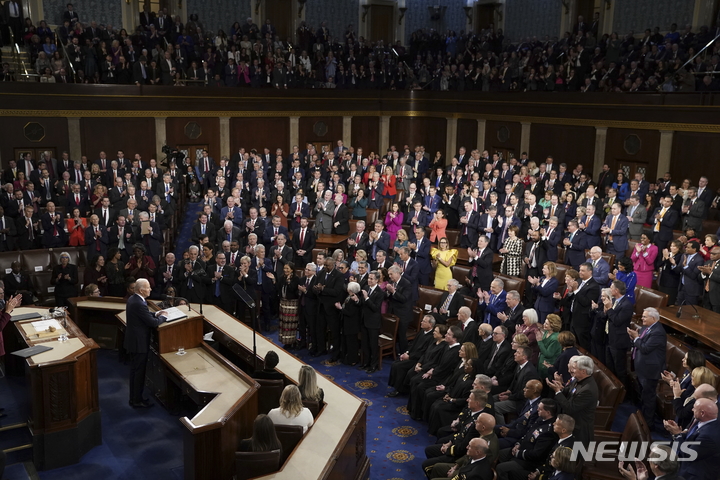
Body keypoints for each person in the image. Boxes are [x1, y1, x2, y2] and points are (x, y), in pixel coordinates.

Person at [124, 279, 168, 408]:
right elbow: (153, 323)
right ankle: (137, 400)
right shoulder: (138, 302)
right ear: (142, 290)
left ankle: (134, 398)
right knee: (138, 373)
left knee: (135, 371)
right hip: (139, 343)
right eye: (148, 288)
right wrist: (163, 317)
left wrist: (156, 313)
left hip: (134, 341)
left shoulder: (134, 299)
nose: (150, 290)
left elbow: (144, 315)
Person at [546, 355, 599, 445]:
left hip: (578, 431)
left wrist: (558, 392)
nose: (571, 370)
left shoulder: (588, 389)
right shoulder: (578, 379)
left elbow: (570, 408)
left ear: (583, 371)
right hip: (569, 424)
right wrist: (560, 387)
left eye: (574, 368)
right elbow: (567, 391)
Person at [629, 307, 667, 428]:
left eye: (645, 317)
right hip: (642, 368)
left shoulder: (658, 332)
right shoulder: (646, 327)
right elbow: (640, 343)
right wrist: (634, 338)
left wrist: (635, 338)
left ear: (653, 318)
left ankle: (648, 425)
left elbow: (645, 348)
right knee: (643, 395)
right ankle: (642, 419)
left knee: (648, 398)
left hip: (650, 371)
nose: (642, 318)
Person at [360, 270, 384, 373]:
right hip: (364, 320)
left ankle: (373, 365)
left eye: (371, 279)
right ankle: (366, 363)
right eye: (368, 278)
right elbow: (362, 303)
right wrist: (358, 300)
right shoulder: (365, 288)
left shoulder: (380, 292)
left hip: (373, 322)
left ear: (377, 280)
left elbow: (375, 308)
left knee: (373, 345)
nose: (369, 280)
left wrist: (366, 298)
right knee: (365, 343)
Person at [337, 281, 362, 366]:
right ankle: (345, 358)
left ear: (350, 289)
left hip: (352, 325)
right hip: (346, 324)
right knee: (346, 342)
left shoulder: (355, 298)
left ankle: (352, 360)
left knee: (352, 343)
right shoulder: (349, 296)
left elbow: (350, 313)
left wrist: (340, 308)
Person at [277, 262, 300, 347]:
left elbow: (293, 290)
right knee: (283, 323)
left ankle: (291, 341)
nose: (285, 270)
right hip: (283, 302)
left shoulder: (296, 279)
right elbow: (278, 288)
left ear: (292, 270)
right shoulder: (282, 277)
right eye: (284, 268)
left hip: (292, 304)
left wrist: (289, 281)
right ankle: (285, 341)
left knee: (290, 324)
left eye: (287, 268)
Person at [658, 239, 683, 306]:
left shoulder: (680, 256)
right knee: (661, 300)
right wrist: (664, 258)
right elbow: (659, 265)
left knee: (669, 301)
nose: (672, 248)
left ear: (679, 248)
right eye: (671, 246)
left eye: (674, 246)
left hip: (672, 282)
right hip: (663, 280)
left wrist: (667, 258)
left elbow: (673, 268)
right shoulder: (668, 254)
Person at [537, 314, 562, 378]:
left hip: (548, 367)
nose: (544, 324)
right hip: (541, 363)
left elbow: (548, 354)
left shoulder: (555, 338)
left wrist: (539, 341)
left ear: (553, 325)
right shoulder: (546, 332)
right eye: (545, 322)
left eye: (547, 324)